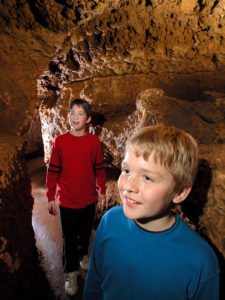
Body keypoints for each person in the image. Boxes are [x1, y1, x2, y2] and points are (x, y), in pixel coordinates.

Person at [83, 125, 220, 300]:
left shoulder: (201, 261)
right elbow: (95, 282)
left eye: (147, 177)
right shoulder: (110, 221)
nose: (128, 186)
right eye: (126, 171)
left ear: (179, 192)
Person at [46, 99, 106, 296]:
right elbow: (53, 171)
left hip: (88, 199)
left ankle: (83, 254)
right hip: (67, 202)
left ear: (88, 119)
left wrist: (102, 190)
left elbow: (99, 168)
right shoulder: (60, 142)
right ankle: (71, 272)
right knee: (68, 239)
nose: (75, 117)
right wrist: (50, 195)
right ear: (68, 116)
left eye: (80, 113)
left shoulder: (94, 142)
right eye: (72, 113)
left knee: (85, 232)